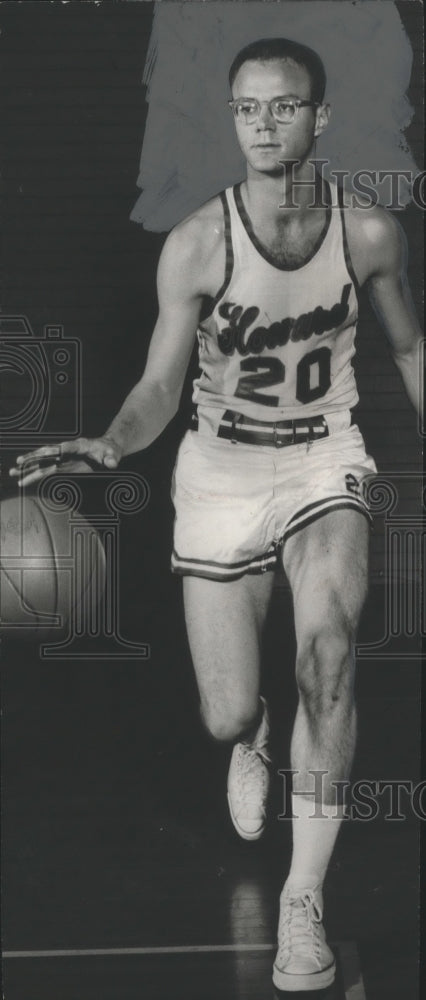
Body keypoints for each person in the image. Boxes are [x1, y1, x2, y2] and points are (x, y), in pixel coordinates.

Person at [10, 37, 422, 993]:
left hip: (325, 462)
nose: (265, 123)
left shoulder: (368, 235)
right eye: (247, 109)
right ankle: (254, 732)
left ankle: (302, 900)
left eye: (284, 107)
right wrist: (116, 439)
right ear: (234, 119)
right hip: (221, 476)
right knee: (226, 707)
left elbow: (408, 352)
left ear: (320, 119)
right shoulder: (198, 242)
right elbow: (161, 383)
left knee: (330, 648)